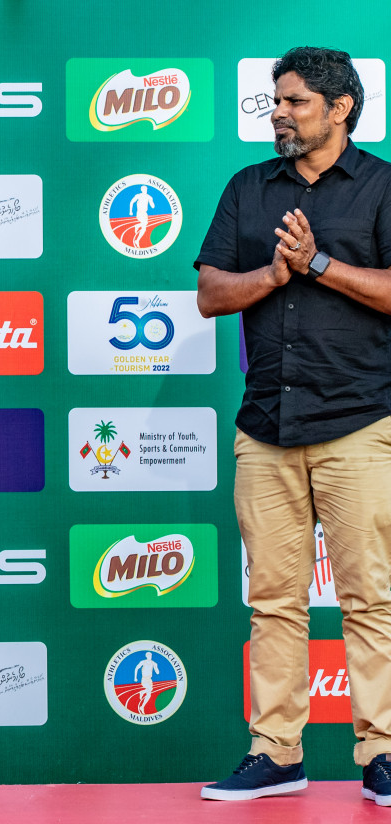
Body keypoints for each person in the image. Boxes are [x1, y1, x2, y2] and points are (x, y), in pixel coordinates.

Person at [195, 47, 391, 805]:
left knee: (369, 598)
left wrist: (318, 267)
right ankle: (277, 753)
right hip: (265, 426)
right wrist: (274, 275)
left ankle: (381, 751)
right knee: (272, 599)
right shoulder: (250, 188)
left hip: (359, 423)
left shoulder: (380, 187)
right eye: (276, 101)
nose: (278, 112)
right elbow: (212, 292)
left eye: (296, 101)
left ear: (341, 108)